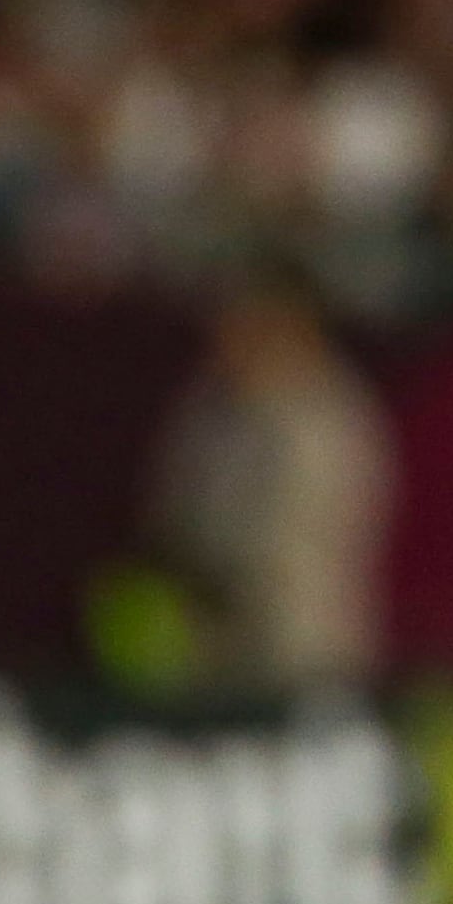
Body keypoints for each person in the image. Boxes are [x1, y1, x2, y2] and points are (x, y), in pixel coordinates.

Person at [150, 283, 395, 694]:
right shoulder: (209, 407)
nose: (232, 338)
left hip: (300, 649)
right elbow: (173, 509)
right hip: (209, 646)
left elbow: (306, 530)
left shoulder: (326, 418)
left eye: (255, 325)